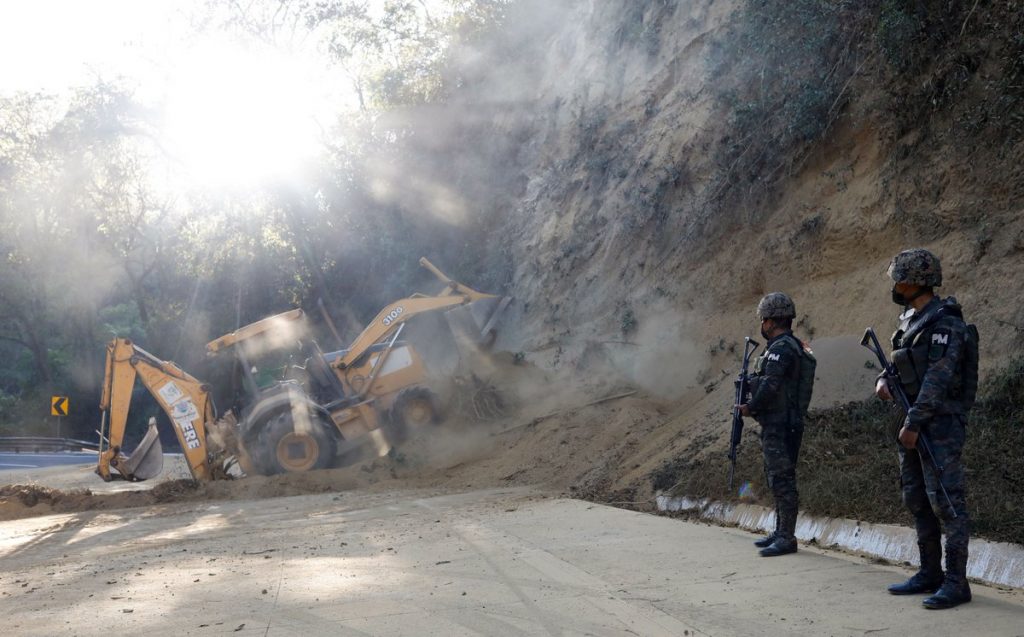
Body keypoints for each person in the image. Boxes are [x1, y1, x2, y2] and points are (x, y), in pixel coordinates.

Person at [876, 248, 974, 609]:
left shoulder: (945, 321)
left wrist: (914, 423)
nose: (895, 285)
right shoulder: (911, 321)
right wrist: (883, 381)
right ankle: (930, 572)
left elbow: (938, 378)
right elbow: (901, 365)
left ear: (916, 281)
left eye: (900, 278)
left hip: (939, 424)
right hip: (914, 419)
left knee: (948, 502)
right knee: (917, 500)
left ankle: (956, 582)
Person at [738, 292, 808, 557]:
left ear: (770, 321)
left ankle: (787, 537)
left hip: (782, 424)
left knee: (783, 480)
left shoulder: (781, 348)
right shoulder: (783, 346)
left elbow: (771, 385)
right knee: (777, 478)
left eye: (764, 320)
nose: (762, 325)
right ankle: (780, 532)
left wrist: (750, 407)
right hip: (779, 423)